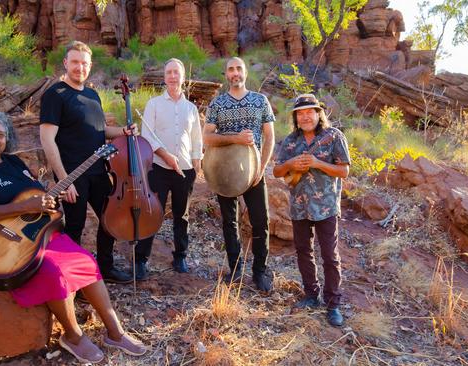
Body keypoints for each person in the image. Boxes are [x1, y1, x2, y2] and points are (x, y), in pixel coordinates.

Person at [0, 110, 147, 363]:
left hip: (39, 233)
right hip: (2, 240)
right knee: (55, 271)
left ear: (7, 138)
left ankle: (115, 332)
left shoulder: (14, 164)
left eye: (0, 134)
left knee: (87, 260)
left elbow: (37, 199)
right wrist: (22, 207)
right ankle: (73, 335)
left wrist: (52, 198)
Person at [40, 40, 134, 284]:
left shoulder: (92, 95)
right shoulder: (55, 94)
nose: (79, 67)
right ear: (65, 63)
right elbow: (47, 140)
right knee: (74, 227)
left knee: (109, 219)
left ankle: (105, 268)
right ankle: (72, 277)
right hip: (72, 175)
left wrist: (123, 131)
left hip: (99, 171)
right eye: (75, 62)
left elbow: (99, 131)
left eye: (84, 63)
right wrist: (64, 180)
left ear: (90, 66)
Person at [273, 94, 351, 327]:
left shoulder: (334, 136)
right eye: (301, 113)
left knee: (329, 255)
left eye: (310, 111)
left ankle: (333, 304)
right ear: (296, 117)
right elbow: (277, 171)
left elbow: (344, 171)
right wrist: (291, 165)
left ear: (319, 114)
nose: (305, 116)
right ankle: (311, 295)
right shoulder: (289, 141)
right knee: (303, 251)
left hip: (326, 207)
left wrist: (317, 164)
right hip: (299, 207)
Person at [203, 57, 275, 293]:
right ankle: (234, 270)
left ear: (245, 72)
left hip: (255, 171)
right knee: (229, 222)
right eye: (231, 69)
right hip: (224, 172)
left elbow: (270, 137)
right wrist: (234, 138)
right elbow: (208, 138)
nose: (235, 73)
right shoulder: (217, 104)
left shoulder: (260, 101)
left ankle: (260, 271)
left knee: (261, 221)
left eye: (239, 68)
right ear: (226, 74)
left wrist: (262, 168)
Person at [133, 58, 203, 279]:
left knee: (182, 215)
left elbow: (197, 139)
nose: (172, 76)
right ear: (164, 77)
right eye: (169, 72)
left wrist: (196, 161)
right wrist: (165, 156)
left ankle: (180, 256)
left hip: (185, 171)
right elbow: (147, 138)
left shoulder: (191, 108)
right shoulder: (154, 104)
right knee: (153, 213)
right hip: (159, 169)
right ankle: (141, 259)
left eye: (176, 72)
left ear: (183, 78)